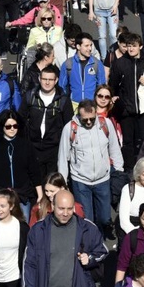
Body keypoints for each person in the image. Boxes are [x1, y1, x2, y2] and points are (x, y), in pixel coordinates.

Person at [58, 99, 124, 236]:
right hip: (80, 180)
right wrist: (62, 183)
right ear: (78, 115)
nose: (88, 122)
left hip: (103, 179)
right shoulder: (69, 128)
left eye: (91, 119)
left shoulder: (106, 124)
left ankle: (103, 233)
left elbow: (114, 149)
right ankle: (92, 246)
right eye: (84, 119)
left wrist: (119, 172)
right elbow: (63, 157)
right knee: (86, 219)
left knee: (105, 218)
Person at [0, 111, 43, 234]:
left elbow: (34, 171)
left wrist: (40, 194)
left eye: (15, 126)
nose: (12, 129)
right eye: (8, 126)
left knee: (22, 229)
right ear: (2, 127)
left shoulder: (26, 145)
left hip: (22, 194)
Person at [108, 31, 144, 170]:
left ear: (140, 46)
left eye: (134, 46)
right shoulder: (120, 63)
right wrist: (116, 99)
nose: (130, 49)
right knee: (128, 142)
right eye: (128, 46)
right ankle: (129, 171)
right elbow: (112, 85)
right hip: (127, 110)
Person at [18, 64, 73, 176]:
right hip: (33, 147)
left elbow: (69, 126)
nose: (47, 83)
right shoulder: (30, 96)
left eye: (50, 79)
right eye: (44, 79)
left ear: (56, 80)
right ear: (39, 79)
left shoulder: (63, 100)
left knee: (51, 184)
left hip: (54, 149)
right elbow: (20, 120)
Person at [59, 33, 106, 110]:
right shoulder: (68, 64)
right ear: (78, 46)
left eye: (91, 45)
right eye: (86, 46)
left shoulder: (97, 63)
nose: (90, 48)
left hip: (92, 105)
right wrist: (66, 104)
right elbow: (62, 87)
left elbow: (102, 86)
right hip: (73, 106)